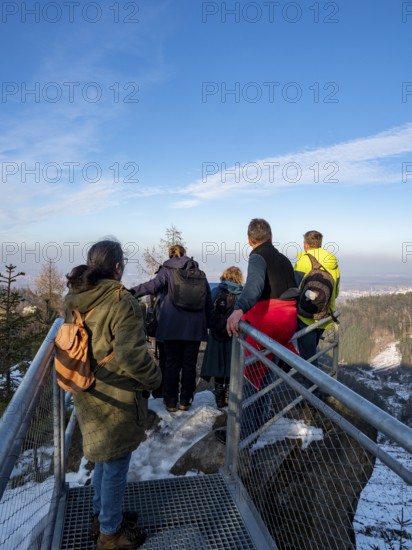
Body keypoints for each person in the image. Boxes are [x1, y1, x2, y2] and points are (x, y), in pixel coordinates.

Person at [64, 239, 161, 550]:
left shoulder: (74, 297)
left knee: (103, 460)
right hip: (117, 396)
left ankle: (103, 515)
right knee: (116, 464)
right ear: (118, 268)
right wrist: (155, 377)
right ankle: (110, 534)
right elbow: (132, 357)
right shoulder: (122, 302)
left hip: (86, 388)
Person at [221, 218, 299, 442]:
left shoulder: (257, 256)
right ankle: (256, 428)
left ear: (249, 240)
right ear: (271, 236)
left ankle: (241, 437)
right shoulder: (284, 259)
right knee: (265, 378)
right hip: (287, 322)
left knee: (248, 380)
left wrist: (238, 310)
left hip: (268, 321)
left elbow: (253, 287)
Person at [131, 245, 212, 413]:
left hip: (171, 326)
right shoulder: (199, 273)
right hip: (194, 328)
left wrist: (132, 292)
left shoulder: (167, 269)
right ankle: (185, 401)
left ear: (171, 255)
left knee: (171, 364)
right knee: (189, 365)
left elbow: (152, 286)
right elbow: (208, 302)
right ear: (185, 254)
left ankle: (170, 402)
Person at [294, 230, 340, 364]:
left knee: (307, 360)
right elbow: (335, 292)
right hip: (324, 316)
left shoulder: (304, 260)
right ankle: (311, 381)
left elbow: (293, 288)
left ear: (306, 245)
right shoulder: (332, 262)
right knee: (311, 355)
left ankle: (309, 383)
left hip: (305, 318)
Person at [200, 266, 244, 408]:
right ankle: (229, 397)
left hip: (216, 334)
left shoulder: (215, 291)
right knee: (232, 366)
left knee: (218, 366)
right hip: (235, 335)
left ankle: (219, 397)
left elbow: (207, 310)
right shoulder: (241, 294)